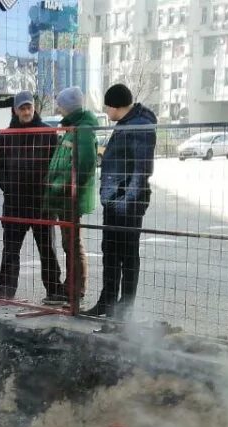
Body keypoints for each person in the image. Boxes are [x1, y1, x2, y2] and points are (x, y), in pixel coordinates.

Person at [91, 84, 157, 321]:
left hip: (127, 204)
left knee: (127, 255)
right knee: (110, 251)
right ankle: (107, 301)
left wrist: (125, 201)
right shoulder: (126, 123)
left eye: (107, 107)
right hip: (115, 201)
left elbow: (141, 170)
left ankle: (124, 308)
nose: (106, 113)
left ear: (115, 106)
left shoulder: (140, 126)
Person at [0, 91, 63, 303]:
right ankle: (5, 290)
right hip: (14, 203)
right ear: (15, 110)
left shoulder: (48, 133)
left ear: (34, 108)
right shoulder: (6, 136)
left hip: (42, 204)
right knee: (11, 249)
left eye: (28, 107)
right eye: (21, 108)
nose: (25, 111)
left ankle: (54, 290)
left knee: (47, 249)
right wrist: (10, 188)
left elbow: (56, 165)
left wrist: (48, 189)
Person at [43, 86, 99, 308]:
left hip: (70, 198)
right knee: (70, 244)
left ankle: (77, 290)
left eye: (60, 104)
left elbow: (84, 165)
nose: (58, 108)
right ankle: (71, 287)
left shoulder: (82, 129)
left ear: (68, 106)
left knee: (73, 244)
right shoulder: (72, 127)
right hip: (64, 197)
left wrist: (62, 186)